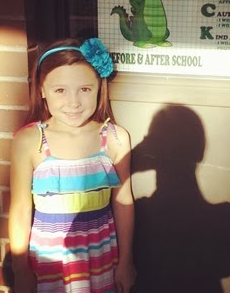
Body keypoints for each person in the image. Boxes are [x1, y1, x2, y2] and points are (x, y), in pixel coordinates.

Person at [8, 38, 136, 293]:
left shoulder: (115, 138)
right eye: (60, 90)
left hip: (101, 259)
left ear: (99, 88)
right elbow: (21, 209)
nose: (74, 102)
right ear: (42, 90)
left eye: (85, 89)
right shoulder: (29, 141)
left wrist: (126, 260)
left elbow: (123, 202)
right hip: (50, 264)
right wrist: (20, 270)